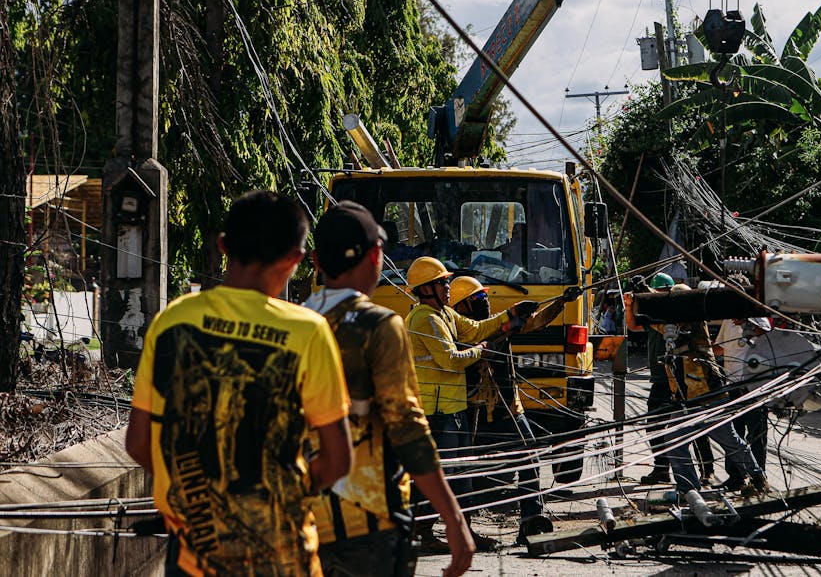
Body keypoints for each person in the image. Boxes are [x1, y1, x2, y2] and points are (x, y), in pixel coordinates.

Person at [125, 190, 353, 576]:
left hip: (193, 552)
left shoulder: (173, 321)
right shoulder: (308, 332)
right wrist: (287, 491)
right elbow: (338, 458)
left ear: (223, 245)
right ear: (295, 259)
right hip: (281, 555)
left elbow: (139, 442)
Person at [306, 202, 473, 577]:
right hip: (370, 525)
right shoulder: (379, 326)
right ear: (376, 257)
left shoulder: (295, 324)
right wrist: (452, 516)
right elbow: (407, 428)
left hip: (304, 523)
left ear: (316, 260)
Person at [404, 256, 539, 551]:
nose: (448, 287)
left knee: (460, 475)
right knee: (442, 475)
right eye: (442, 283)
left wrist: (510, 314)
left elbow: (478, 329)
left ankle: (461, 532)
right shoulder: (424, 318)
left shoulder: (445, 315)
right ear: (427, 289)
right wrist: (481, 351)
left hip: (453, 408)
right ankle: (420, 531)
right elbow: (451, 360)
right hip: (436, 410)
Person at [449, 276, 555, 545]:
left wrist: (563, 302)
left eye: (485, 298)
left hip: (507, 407)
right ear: (462, 307)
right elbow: (466, 349)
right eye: (478, 300)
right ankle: (465, 529)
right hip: (472, 411)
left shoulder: (497, 324)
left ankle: (530, 522)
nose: (485, 303)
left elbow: (537, 321)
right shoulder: (458, 331)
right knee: (463, 471)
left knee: (530, 454)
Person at [653, 284, 770, 498]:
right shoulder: (673, 321)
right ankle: (688, 488)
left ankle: (757, 476)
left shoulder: (693, 319)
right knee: (673, 439)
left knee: (731, 440)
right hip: (687, 396)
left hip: (708, 391)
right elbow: (640, 324)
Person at [714, 316, 773, 491]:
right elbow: (720, 347)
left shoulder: (757, 317)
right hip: (732, 385)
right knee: (732, 434)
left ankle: (758, 477)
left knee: (756, 436)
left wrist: (747, 322)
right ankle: (736, 477)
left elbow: (767, 335)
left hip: (755, 386)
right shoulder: (727, 321)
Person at [639, 272, 678, 485]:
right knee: (655, 426)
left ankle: (700, 471)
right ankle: (662, 469)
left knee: (680, 428)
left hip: (671, 378)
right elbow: (634, 325)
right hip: (660, 379)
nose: (657, 296)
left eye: (660, 293)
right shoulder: (653, 314)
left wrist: (644, 292)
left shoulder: (671, 314)